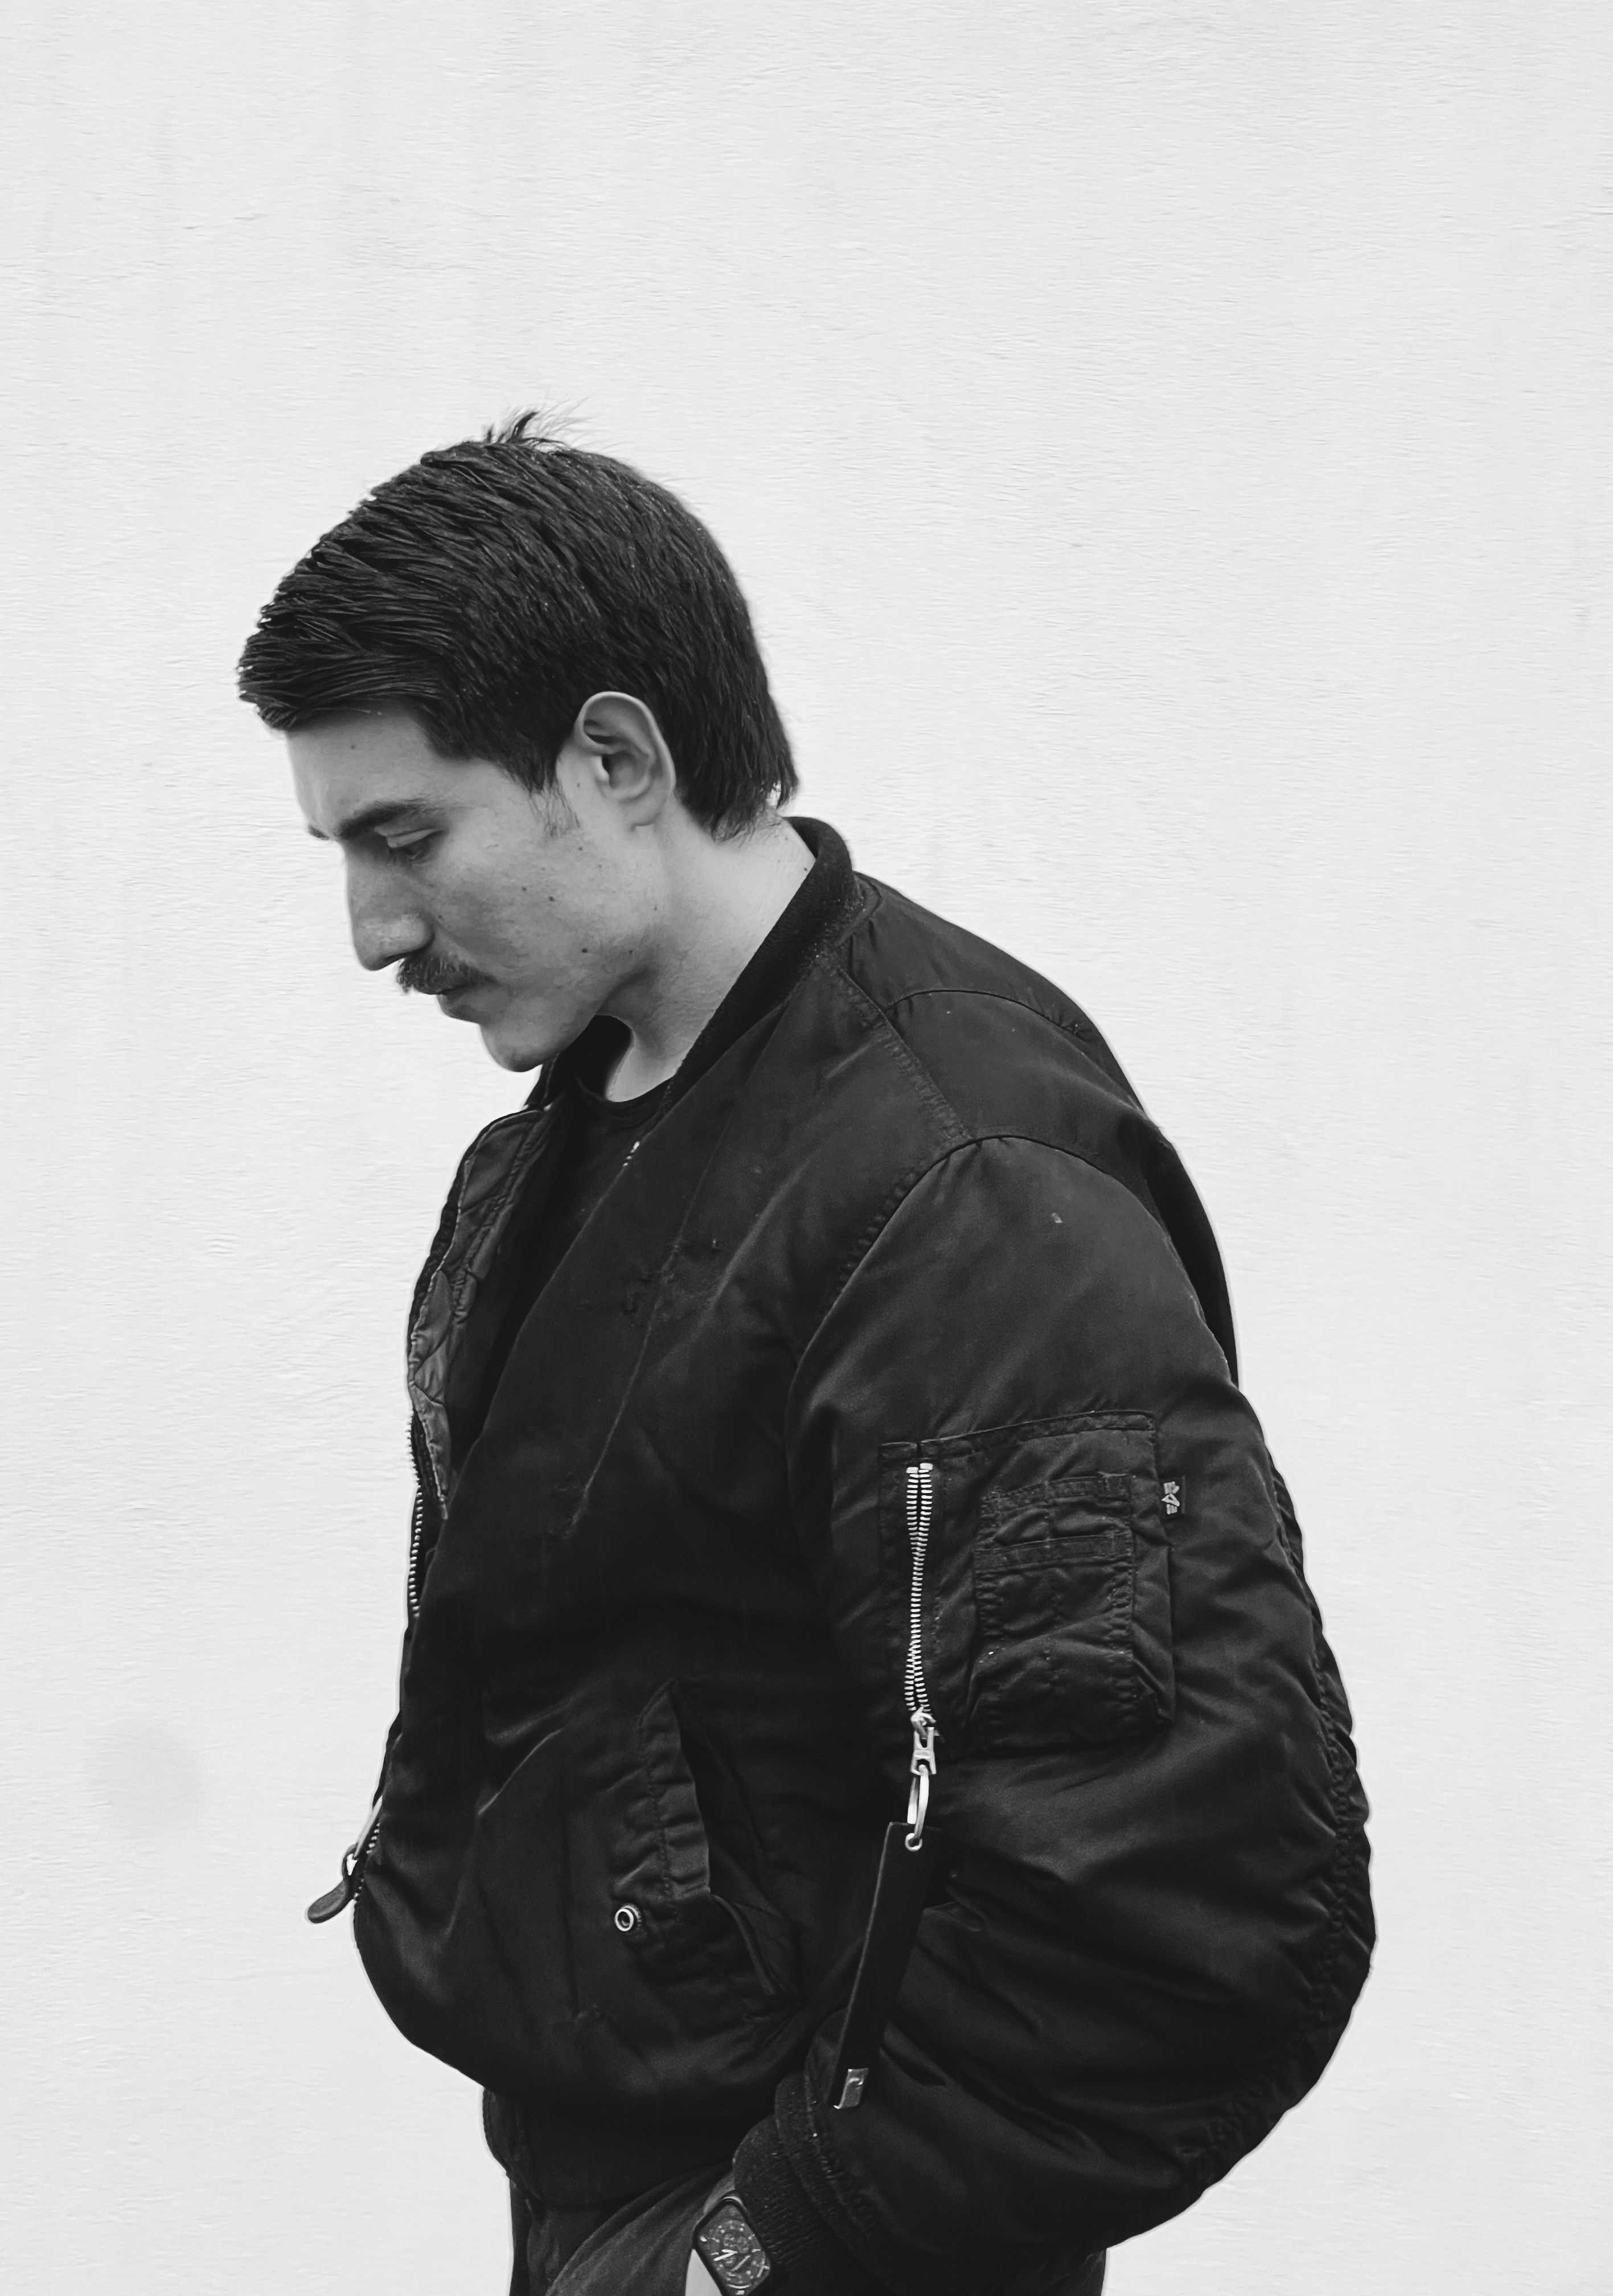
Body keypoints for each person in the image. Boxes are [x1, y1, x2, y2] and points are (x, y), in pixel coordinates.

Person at [237, 417, 1373, 2296]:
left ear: (615, 760)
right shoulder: (584, 1118)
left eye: (404, 837)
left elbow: (1178, 1899)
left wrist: (767, 2247)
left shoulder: (954, 1184)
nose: (370, 931)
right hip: (618, 2186)